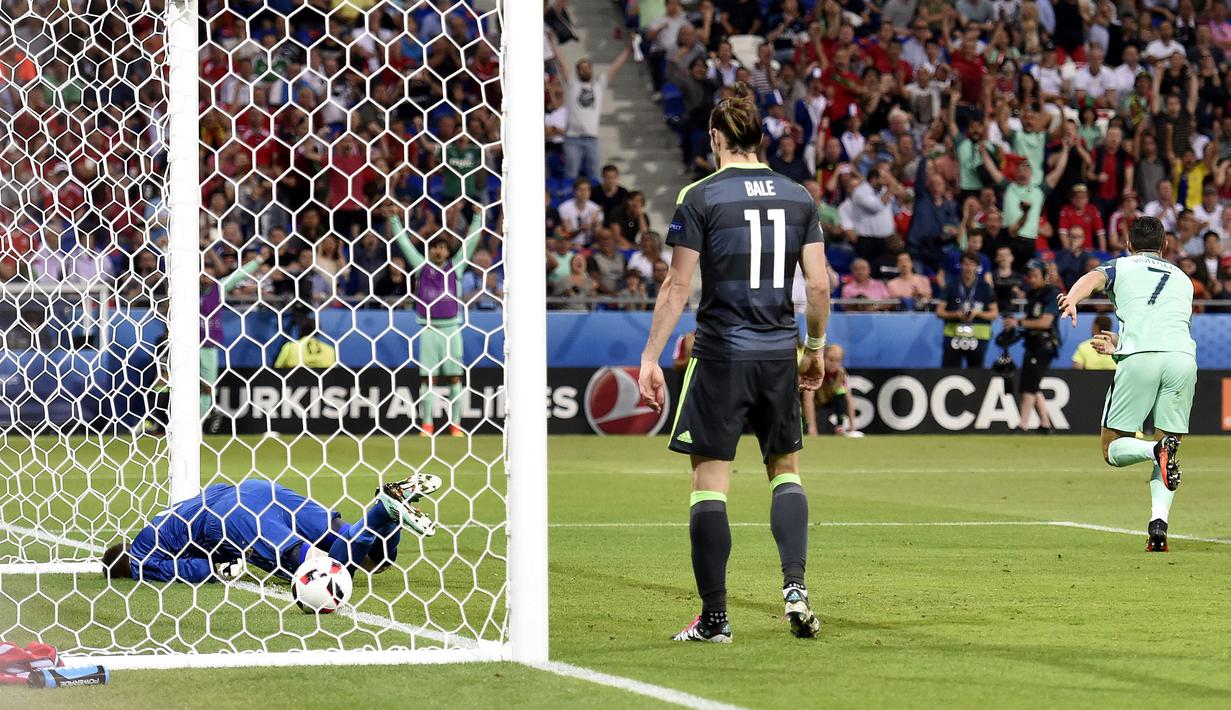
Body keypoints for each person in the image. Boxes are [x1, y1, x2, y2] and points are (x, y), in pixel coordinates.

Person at [637, 83, 829, 643]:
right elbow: (818, 285)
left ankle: (716, 618)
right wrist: (812, 350)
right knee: (785, 471)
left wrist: (650, 356)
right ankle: (794, 588)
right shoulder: (799, 196)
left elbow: (678, 284)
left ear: (717, 138)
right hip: (777, 353)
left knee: (709, 484)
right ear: (760, 138)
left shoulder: (700, 196)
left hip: (721, 353)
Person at [1058, 217, 1196, 552]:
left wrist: (1073, 298)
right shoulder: (1183, 278)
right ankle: (1158, 525)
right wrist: (1121, 345)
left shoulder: (1122, 265)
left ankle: (1152, 449)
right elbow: (1162, 328)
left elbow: (1093, 278)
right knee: (1170, 449)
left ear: (1129, 244)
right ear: (1165, 246)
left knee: (1112, 448)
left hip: (1140, 361)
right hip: (1182, 360)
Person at [100, 474, 442, 583]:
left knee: (327, 572)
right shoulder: (163, 518)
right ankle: (387, 513)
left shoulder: (140, 559)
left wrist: (218, 566)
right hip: (256, 489)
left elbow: (188, 569)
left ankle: (383, 508)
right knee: (375, 562)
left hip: (230, 517)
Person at [388, 207, 484, 437]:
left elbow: (470, 242)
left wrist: (478, 217)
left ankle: (456, 425)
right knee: (427, 379)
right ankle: (427, 424)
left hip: (452, 329)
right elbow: (405, 245)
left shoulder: (456, 267)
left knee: (454, 378)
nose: (438, 251)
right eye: (434, 248)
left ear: (447, 251)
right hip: (429, 329)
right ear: (429, 251)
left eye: (441, 247)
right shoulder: (423, 269)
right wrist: (394, 220)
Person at [557, 41, 632, 181]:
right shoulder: (573, 85)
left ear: (591, 70)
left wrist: (628, 49)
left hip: (592, 138)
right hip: (573, 138)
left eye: (587, 68)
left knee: (595, 175)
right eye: (582, 68)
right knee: (570, 175)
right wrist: (552, 44)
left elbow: (614, 68)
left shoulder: (598, 87)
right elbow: (562, 66)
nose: (585, 70)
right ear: (577, 71)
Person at [1004, 259, 1061, 433]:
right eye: (1029, 276)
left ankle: (1023, 424)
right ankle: (1045, 424)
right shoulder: (1032, 294)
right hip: (1032, 344)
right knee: (1032, 383)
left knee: (1028, 385)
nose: (1031, 279)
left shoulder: (1052, 293)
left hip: (1045, 344)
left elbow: (1045, 322)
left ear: (1045, 276)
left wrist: (1018, 322)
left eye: (1035, 275)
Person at [935, 251, 999, 368]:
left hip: (978, 338)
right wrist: (956, 314)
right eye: (965, 264)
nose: (968, 267)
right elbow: (939, 312)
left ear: (977, 267)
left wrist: (977, 313)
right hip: (954, 337)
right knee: (950, 373)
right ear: (960, 266)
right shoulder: (951, 285)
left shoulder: (985, 287)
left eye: (972, 264)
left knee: (976, 373)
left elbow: (994, 314)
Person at [801, 344, 860, 437]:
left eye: (837, 360)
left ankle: (839, 427)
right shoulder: (814, 371)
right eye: (830, 359)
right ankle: (805, 426)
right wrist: (812, 428)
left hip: (830, 400)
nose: (833, 364)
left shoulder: (842, 374)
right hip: (813, 402)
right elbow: (807, 400)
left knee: (841, 396)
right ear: (823, 358)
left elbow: (849, 400)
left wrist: (853, 428)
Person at [273, 316, 338, 369]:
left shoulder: (290, 347)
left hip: (294, 382)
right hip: (324, 383)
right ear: (318, 332)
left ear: (301, 329)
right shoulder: (330, 350)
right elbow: (335, 372)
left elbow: (277, 369)